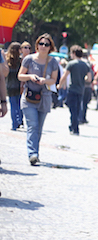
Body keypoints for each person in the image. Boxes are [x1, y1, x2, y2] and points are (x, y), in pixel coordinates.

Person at [17, 33, 60, 165]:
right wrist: (30, 76)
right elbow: (20, 76)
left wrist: (44, 80)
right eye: (41, 44)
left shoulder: (53, 62)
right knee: (32, 126)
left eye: (46, 44)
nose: (43, 46)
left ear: (50, 47)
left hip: (44, 98)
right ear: (37, 45)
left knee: (39, 128)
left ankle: (36, 151)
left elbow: (53, 80)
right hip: (29, 97)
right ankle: (32, 154)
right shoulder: (29, 59)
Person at [57, 45, 91, 136]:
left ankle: (75, 128)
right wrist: (82, 79)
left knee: (72, 109)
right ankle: (73, 125)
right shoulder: (86, 65)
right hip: (81, 90)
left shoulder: (71, 64)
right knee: (77, 108)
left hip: (72, 89)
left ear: (74, 53)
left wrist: (59, 85)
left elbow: (65, 76)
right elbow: (89, 79)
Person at [6, 42, 24, 130]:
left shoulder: (7, 60)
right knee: (19, 104)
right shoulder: (20, 61)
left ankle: (14, 124)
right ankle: (20, 120)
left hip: (9, 85)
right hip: (19, 85)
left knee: (13, 105)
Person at [79, 51, 94, 124]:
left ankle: (80, 118)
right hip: (88, 86)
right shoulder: (89, 64)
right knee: (85, 103)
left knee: (80, 102)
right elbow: (91, 75)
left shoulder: (80, 62)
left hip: (81, 85)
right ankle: (83, 117)